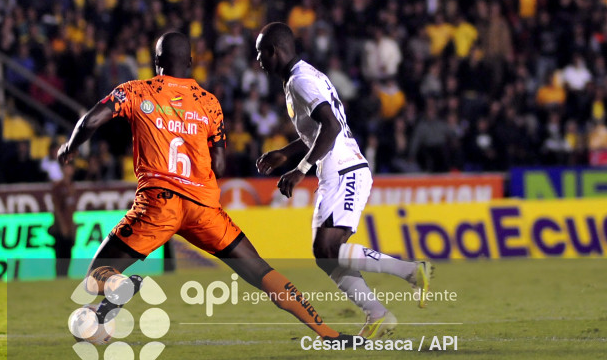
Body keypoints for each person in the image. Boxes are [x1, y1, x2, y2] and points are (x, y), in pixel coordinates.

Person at [58, 31, 352, 343]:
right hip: (203, 208)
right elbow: (220, 164)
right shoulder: (209, 103)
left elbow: (90, 121)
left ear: (156, 62)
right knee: (262, 273)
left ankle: (119, 287)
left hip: (159, 203)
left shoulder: (135, 91)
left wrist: (71, 146)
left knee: (95, 278)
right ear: (190, 62)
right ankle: (327, 332)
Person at [254, 22, 433, 340]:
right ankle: (379, 314)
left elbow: (333, 126)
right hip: (334, 171)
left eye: (260, 53)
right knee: (324, 254)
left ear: (274, 51)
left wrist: (301, 169)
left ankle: (410, 273)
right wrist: (287, 153)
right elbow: (318, 130)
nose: (258, 61)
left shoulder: (301, 81)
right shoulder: (305, 76)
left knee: (328, 248)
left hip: (346, 170)